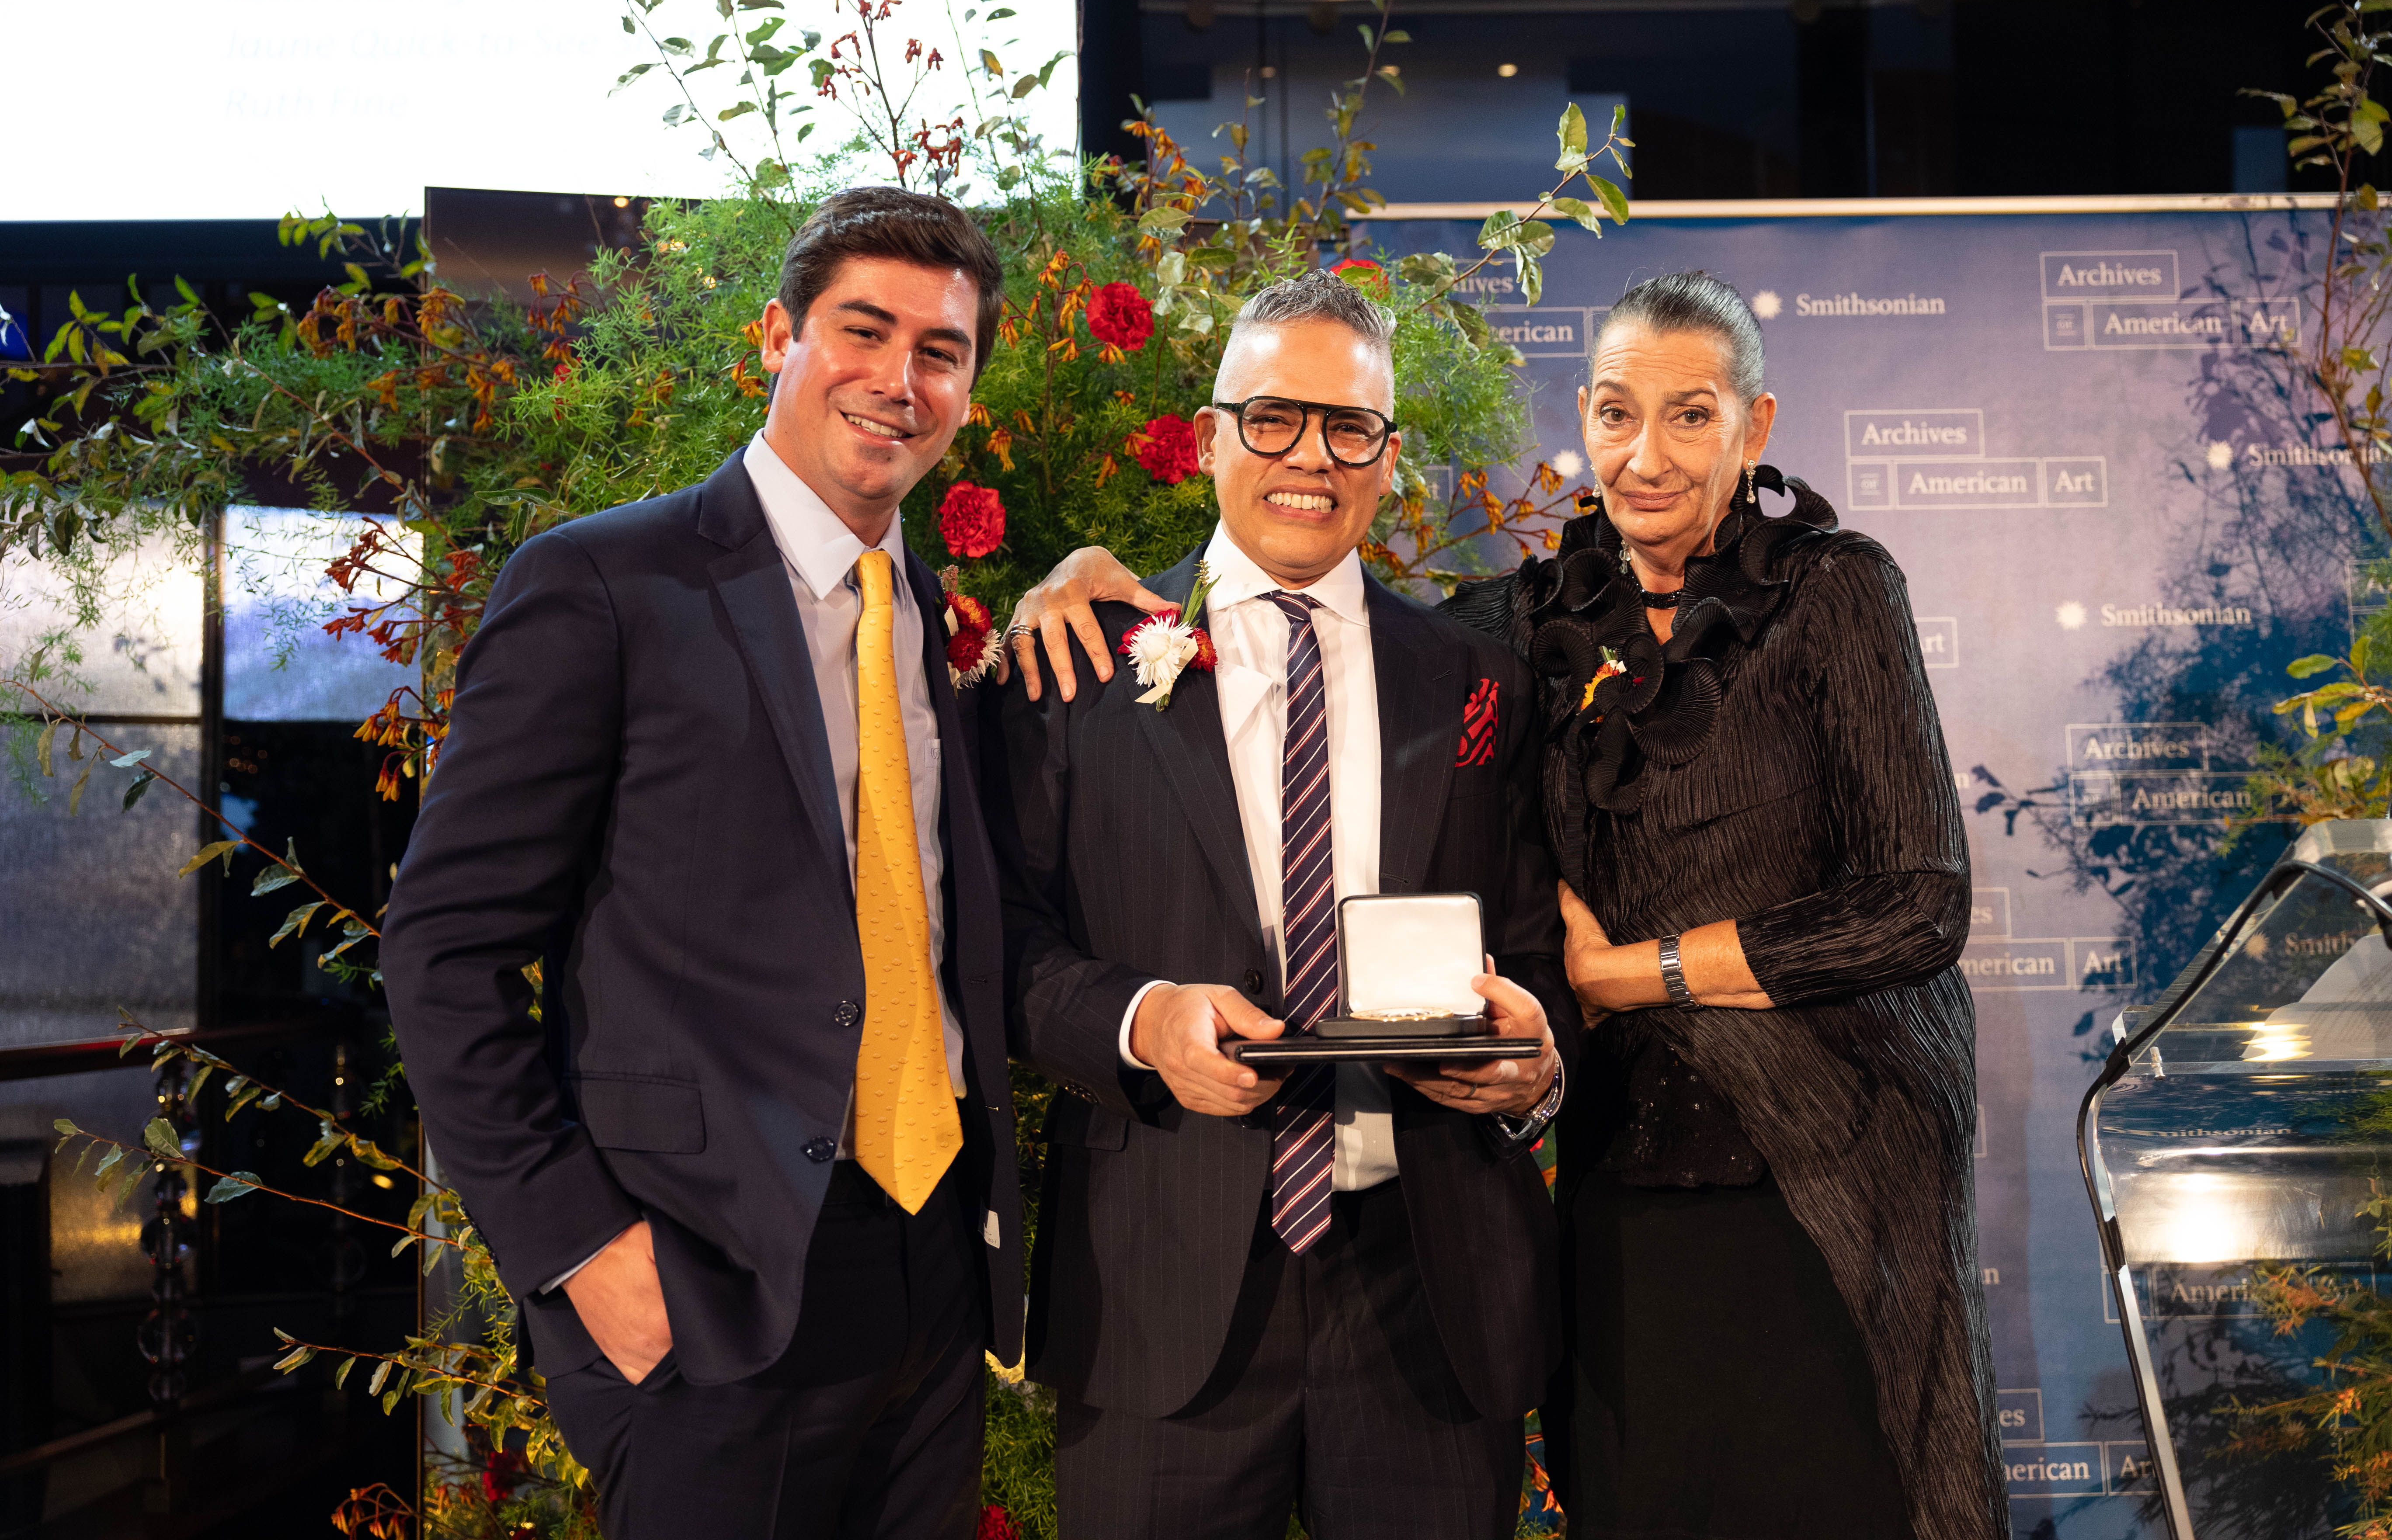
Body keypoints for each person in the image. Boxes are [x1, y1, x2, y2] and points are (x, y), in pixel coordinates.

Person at [1008, 271, 2007, 1540]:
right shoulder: (1514, 629)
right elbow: (1009, 952)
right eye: (1615, 412)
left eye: (1691, 416)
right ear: (1211, 436)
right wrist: (1089, 573)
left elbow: (1910, 902)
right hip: (1512, 1229)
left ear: (1755, 429)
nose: (1646, 454)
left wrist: (1574, 1019)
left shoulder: (1808, 594)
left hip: (1745, 1193)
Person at [382, 187, 1029, 1540]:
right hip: (698, 1285)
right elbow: (442, 952)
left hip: (930, 1270)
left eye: (942, 351)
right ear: (775, 338)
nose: (899, 380)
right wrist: (580, 1253)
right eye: (864, 330)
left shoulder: (932, 619)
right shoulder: (604, 585)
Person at [984, 269, 1578, 1540]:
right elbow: (1000, 955)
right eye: (1272, 417)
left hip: (1427, 1293)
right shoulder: (1078, 660)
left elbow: (1536, 952)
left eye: (1349, 426)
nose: (1311, 455)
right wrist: (1141, 1023)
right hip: (1159, 1288)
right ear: (1209, 438)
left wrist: (1535, 1062)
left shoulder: (1474, 683)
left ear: (1389, 457)